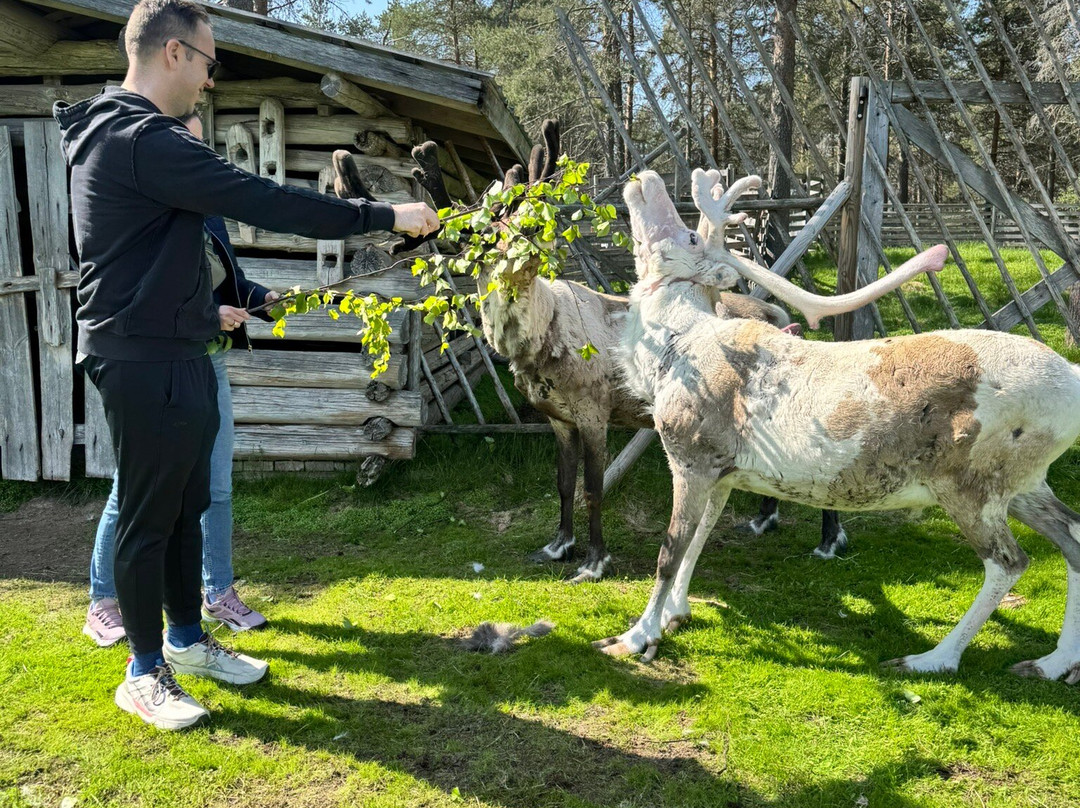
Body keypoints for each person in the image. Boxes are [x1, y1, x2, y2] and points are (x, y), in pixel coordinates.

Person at [56, 0, 439, 731]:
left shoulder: (138, 138)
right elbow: (262, 198)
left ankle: (188, 641)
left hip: (186, 347)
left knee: (185, 510)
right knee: (146, 522)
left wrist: (234, 299)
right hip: (142, 358)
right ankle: (143, 673)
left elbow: (178, 251)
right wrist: (385, 216)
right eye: (206, 62)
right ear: (173, 53)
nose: (207, 80)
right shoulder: (140, 138)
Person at [83, 111, 277, 647]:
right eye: (184, 147)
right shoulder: (140, 214)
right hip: (152, 365)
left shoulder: (206, 214)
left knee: (214, 486)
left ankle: (217, 592)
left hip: (206, 361)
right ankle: (103, 600)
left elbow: (221, 281)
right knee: (135, 488)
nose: (193, 159)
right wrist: (206, 316)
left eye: (198, 148)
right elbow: (145, 297)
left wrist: (259, 299)